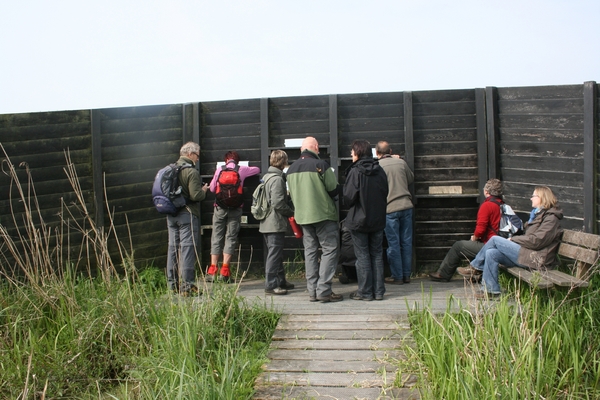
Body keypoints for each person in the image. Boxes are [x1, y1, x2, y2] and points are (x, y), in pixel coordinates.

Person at [458, 186, 563, 298]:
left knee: (494, 239)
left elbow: (537, 241)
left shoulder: (551, 218)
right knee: (491, 253)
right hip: (528, 253)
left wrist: (514, 239)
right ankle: (490, 291)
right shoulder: (538, 215)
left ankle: (475, 267)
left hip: (537, 259)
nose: (531, 198)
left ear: (542, 198)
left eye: (533, 196)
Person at [286, 136, 342, 303]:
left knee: (310, 252)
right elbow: (333, 189)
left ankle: (312, 291)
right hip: (323, 215)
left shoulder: (291, 169)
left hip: (303, 217)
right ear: (316, 147)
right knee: (330, 249)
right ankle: (324, 290)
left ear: (301, 150)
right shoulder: (321, 165)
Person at [428, 179, 504, 282]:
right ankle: (476, 275)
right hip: (500, 245)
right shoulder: (503, 205)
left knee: (459, 246)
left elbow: (480, 229)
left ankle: (443, 274)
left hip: (489, 245)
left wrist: (475, 237)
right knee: (472, 245)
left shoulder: (487, 205)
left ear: (486, 191)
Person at [343, 139, 389, 301]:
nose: (350, 154)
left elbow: (348, 198)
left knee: (362, 256)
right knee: (376, 254)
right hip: (377, 219)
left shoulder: (355, 172)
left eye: (352, 151)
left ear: (358, 152)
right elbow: (386, 192)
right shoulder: (380, 170)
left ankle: (365, 292)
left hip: (359, 220)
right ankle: (378, 292)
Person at [207, 151, 260, 282]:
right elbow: (257, 169)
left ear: (226, 160)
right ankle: (225, 272)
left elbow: (213, 189)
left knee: (216, 236)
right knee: (230, 238)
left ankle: (212, 271)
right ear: (237, 160)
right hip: (236, 209)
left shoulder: (220, 169)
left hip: (219, 208)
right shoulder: (242, 169)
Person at [166, 142, 209, 296]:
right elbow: (195, 196)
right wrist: (204, 190)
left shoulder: (170, 169)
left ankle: (172, 285)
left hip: (171, 215)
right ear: (190, 154)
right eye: (197, 156)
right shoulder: (191, 172)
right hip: (187, 214)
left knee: (172, 248)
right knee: (187, 249)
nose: (197, 159)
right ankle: (187, 287)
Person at [376, 141, 414, 285]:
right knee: (406, 242)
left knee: (393, 243)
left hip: (389, 209)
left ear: (377, 153)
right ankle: (406, 275)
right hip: (406, 206)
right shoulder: (401, 163)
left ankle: (397, 276)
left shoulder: (378, 166)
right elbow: (410, 179)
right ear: (390, 151)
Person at [259, 150, 295, 295]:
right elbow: (278, 203)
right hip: (275, 223)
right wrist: (292, 212)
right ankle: (271, 285)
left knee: (275, 253)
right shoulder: (278, 179)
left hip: (266, 222)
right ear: (284, 162)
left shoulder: (267, 177)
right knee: (274, 255)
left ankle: (281, 281)